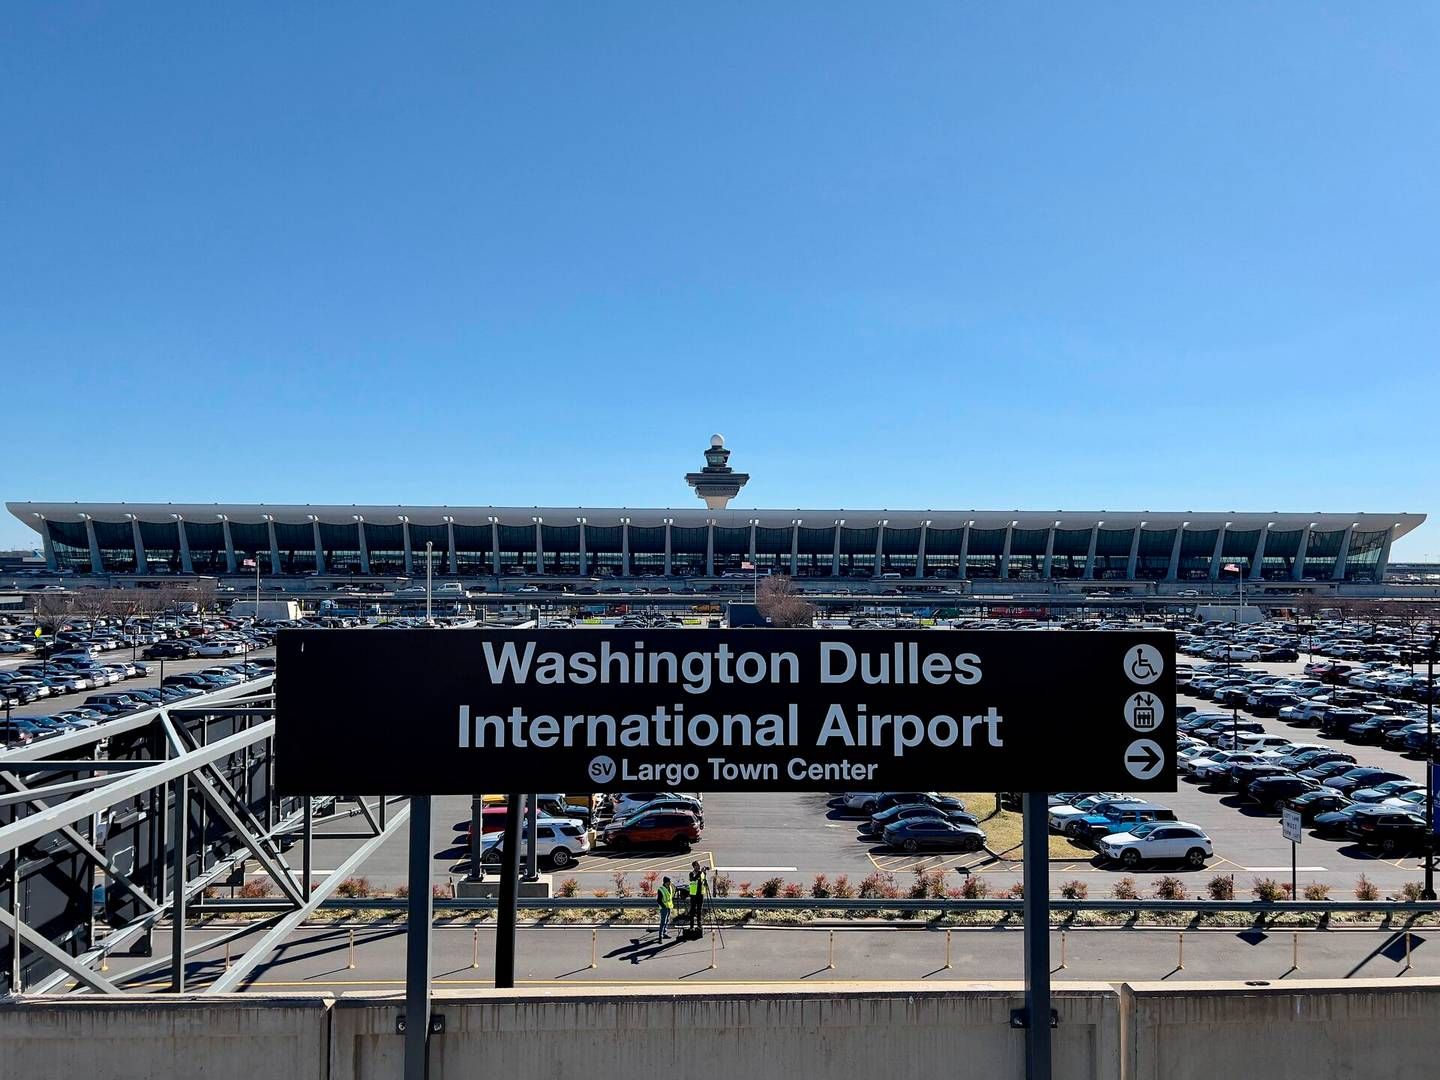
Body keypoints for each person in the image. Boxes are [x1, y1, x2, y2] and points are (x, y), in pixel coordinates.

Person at [686, 860, 709, 932]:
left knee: (699, 911)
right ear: (694, 866)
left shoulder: (701, 873)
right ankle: (691, 926)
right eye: (698, 865)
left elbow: (704, 881)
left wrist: (704, 874)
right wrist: (701, 872)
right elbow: (693, 879)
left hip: (700, 894)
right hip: (693, 895)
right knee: (692, 911)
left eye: (699, 865)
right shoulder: (691, 874)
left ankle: (699, 925)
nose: (699, 866)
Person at [656, 876, 675, 940]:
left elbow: (670, 896)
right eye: (669, 882)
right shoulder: (661, 889)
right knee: (663, 922)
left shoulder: (670, 887)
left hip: (669, 907)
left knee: (667, 921)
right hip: (664, 908)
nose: (670, 883)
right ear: (665, 882)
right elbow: (658, 900)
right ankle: (660, 936)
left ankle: (664, 933)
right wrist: (664, 907)